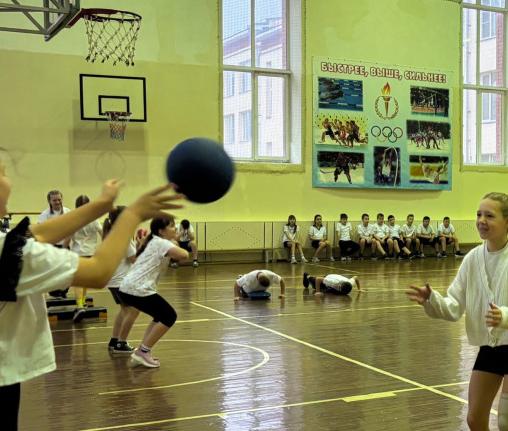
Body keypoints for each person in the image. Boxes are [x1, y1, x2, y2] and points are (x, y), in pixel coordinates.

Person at [0, 157, 184, 429]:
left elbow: (35, 233)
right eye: (2, 172)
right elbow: (98, 272)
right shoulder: (10, 254)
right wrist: (131, 215)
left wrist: (101, 205)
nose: (8, 178)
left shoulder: (7, 243)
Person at [406, 192, 508, 431]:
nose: (481, 220)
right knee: (474, 419)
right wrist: (432, 300)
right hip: (492, 347)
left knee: (506, 420)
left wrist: (505, 317)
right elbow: (454, 305)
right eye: (479, 214)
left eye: (489, 215)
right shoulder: (473, 259)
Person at [118, 216, 189, 368]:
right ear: (161, 231)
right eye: (171, 226)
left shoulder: (154, 241)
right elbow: (184, 255)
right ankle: (143, 352)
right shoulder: (161, 242)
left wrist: (174, 242)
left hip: (128, 287)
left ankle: (143, 350)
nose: (175, 228)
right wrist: (175, 242)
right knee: (169, 316)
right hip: (138, 288)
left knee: (160, 316)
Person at [104, 206, 139, 354]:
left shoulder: (113, 233)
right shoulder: (123, 235)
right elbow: (133, 259)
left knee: (124, 310)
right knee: (133, 310)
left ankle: (114, 340)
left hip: (114, 280)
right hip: (121, 280)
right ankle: (121, 343)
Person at [70, 195, 103, 323]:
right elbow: (102, 233)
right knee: (84, 281)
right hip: (91, 253)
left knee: (78, 282)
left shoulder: (74, 219)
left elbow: (68, 236)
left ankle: (79, 306)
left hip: (78, 253)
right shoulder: (94, 218)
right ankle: (82, 303)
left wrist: (64, 248)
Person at [38, 189, 72, 298]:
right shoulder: (44, 215)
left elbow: (71, 230)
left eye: (59, 199)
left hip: (65, 245)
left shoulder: (68, 212)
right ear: (49, 201)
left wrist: (64, 247)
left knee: (66, 273)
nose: (57, 202)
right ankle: (54, 293)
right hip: (51, 247)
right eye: (54, 200)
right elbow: (41, 233)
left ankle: (63, 292)